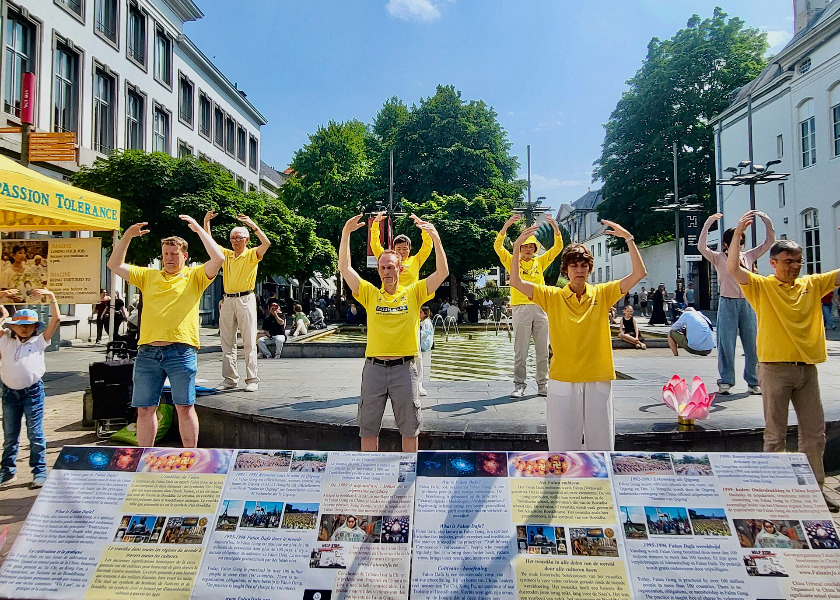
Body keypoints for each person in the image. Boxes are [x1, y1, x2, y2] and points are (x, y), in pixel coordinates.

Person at [726, 211, 840, 513]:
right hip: (774, 369)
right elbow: (733, 268)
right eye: (788, 261)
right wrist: (737, 235)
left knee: (814, 434)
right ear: (773, 263)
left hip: (806, 369)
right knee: (775, 434)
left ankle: (815, 489)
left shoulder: (812, 285)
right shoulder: (761, 286)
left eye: (798, 261)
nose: (794, 266)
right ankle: (775, 492)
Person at [509, 219, 646, 451]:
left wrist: (629, 239)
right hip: (563, 378)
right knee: (561, 450)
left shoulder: (603, 293)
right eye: (574, 266)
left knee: (601, 448)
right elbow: (515, 281)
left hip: (598, 377)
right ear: (566, 269)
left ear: (589, 269)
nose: (579, 270)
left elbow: (639, 273)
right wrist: (516, 248)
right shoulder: (552, 296)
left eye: (583, 265)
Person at [106, 217, 224, 448]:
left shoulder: (194, 276)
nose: (169, 258)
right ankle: (144, 455)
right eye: (165, 254)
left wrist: (199, 230)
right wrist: (127, 236)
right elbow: (114, 264)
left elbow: (218, 258)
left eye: (174, 254)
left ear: (185, 256)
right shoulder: (148, 276)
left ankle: (190, 455)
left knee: (184, 406)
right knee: (145, 408)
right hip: (147, 352)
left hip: (180, 351)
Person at [338, 213, 448, 452]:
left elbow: (442, 273)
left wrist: (436, 239)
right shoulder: (369, 293)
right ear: (378, 270)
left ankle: (409, 472)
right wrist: (346, 233)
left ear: (401, 268)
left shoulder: (414, 293)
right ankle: (370, 473)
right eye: (383, 267)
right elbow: (345, 268)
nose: (387, 271)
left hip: (404, 370)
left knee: (409, 429)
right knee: (367, 429)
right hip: (374, 370)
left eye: (391, 267)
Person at [699, 211, 773, 395]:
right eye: (735, 241)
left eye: (741, 241)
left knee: (752, 344)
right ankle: (726, 380)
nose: (739, 245)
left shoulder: (749, 256)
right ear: (726, 244)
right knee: (726, 343)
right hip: (727, 302)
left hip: (748, 303)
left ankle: (753, 381)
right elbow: (701, 246)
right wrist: (709, 222)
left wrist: (766, 221)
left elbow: (769, 242)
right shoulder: (718, 257)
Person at [495, 213, 564, 398]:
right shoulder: (512, 261)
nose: (527, 249)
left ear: (535, 249)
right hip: (520, 308)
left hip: (540, 308)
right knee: (521, 350)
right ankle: (519, 385)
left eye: (530, 246)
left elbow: (558, 247)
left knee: (543, 350)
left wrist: (555, 226)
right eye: (524, 246)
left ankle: (543, 385)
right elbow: (498, 246)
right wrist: (507, 225)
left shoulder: (539, 262)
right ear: (519, 247)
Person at [204, 211, 271, 393]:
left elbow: (266, 243)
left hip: (245, 299)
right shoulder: (226, 255)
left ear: (246, 240)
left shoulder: (252, 254)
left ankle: (252, 379)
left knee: (249, 341)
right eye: (232, 238)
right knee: (227, 342)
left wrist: (252, 225)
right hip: (228, 299)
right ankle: (230, 379)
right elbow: (209, 242)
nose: (235, 241)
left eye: (238, 238)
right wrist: (206, 222)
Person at [0, 289, 60, 488]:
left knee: (35, 434)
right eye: (20, 325)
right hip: (9, 393)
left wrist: (51, 298)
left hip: (32, 392)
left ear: (35, 327)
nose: (24, 329)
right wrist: (1, 298)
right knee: (10, 435)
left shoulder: (39, 341)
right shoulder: (5, 340)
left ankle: (39, 471)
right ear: (12, 326)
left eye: (28, 325)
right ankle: (7, 472)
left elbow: (56, 319)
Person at [370, 212, 433, 286]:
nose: (401, 251)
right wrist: (375, 224)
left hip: (410, 293)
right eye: (398, 248)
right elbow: (375, 245)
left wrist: (423, 228)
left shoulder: (415, 260)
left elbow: (427, 246)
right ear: (394, 249)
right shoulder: (387, 259)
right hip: (388, 293)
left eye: (405, 249)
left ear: (409, 249)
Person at [417, 306, 434, 397]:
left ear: (425, 314)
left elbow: (423, 334)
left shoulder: (426, 322)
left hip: (425, 344)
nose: (419, 314)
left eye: (420, 312)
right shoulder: (423, 321)